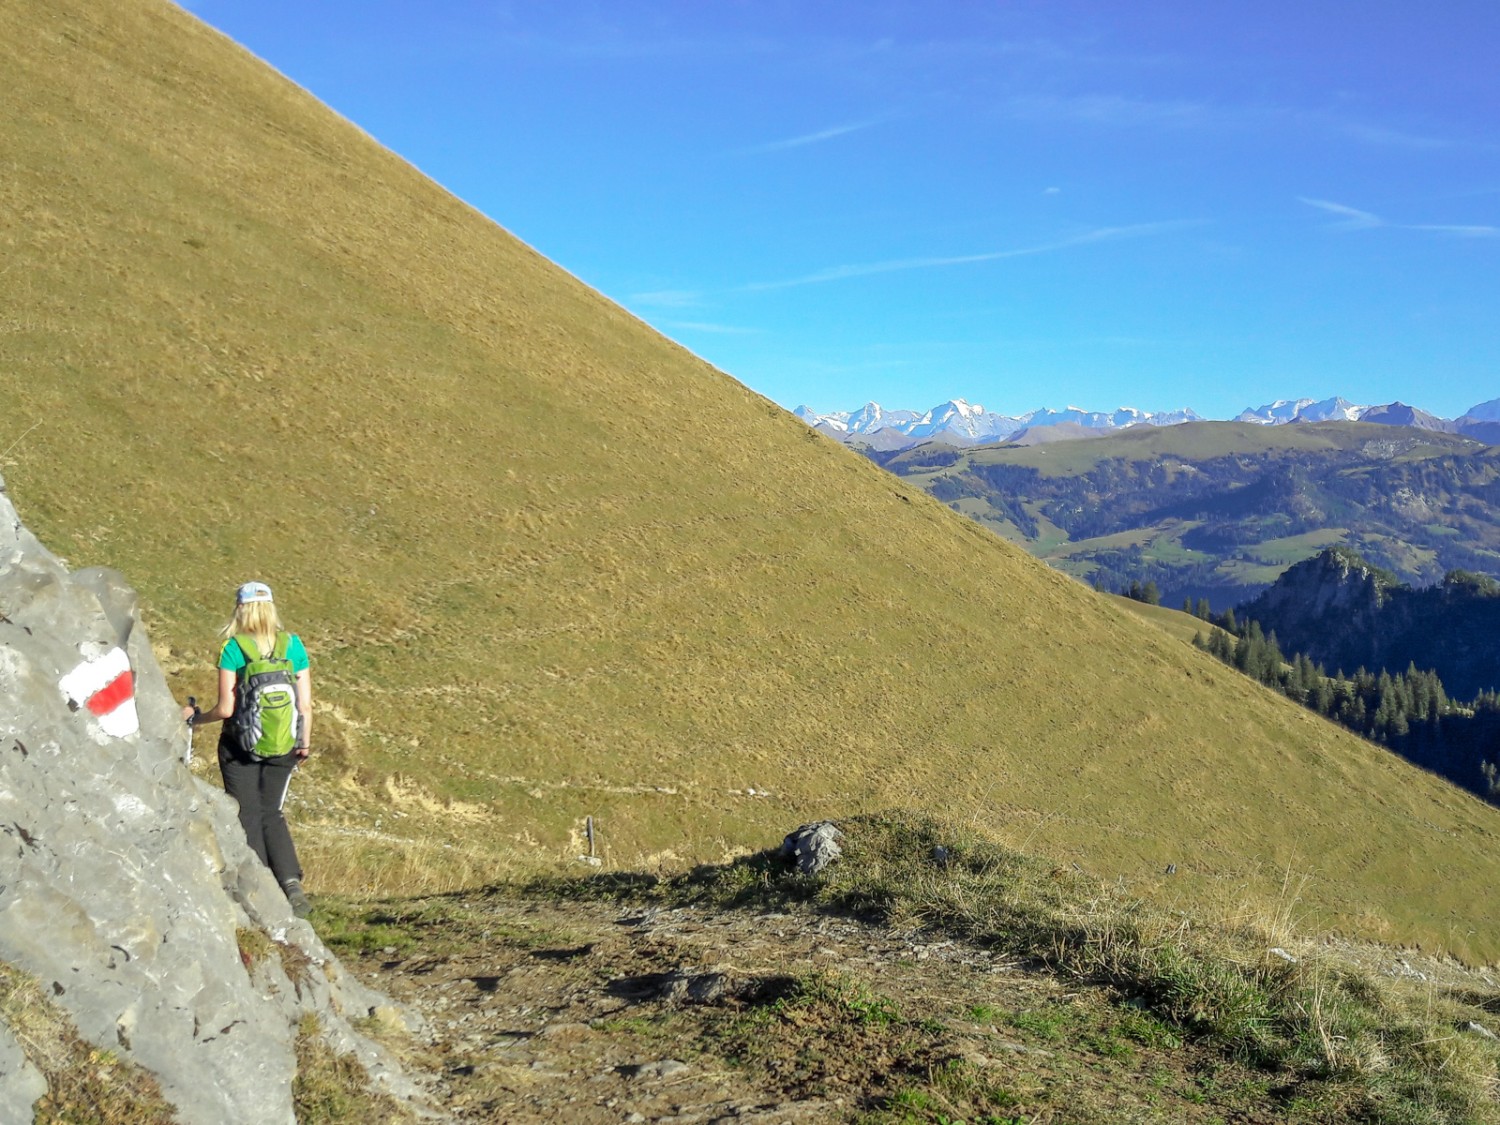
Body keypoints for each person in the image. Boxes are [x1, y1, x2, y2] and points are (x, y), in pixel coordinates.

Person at [182, 581, 313, 918]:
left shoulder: (233, 649)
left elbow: (226, 709)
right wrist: (304, 742)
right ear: (271, 608)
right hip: (284, 744)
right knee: (272, 812)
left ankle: (262, 891)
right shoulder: (293, 645)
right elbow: (305, 704)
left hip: (239, 744)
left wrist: (196, 719)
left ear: (240, 609)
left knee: (247, 813)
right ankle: (291, 885)